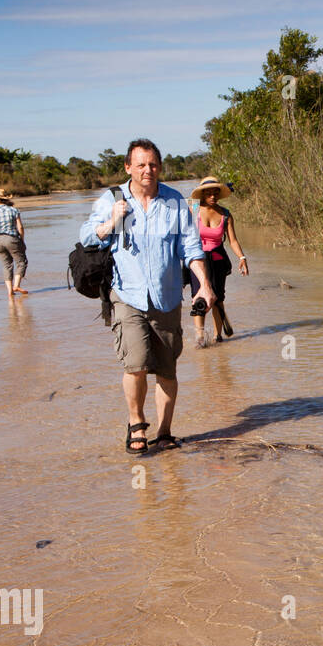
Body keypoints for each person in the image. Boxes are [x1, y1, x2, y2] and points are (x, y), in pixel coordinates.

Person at [79, 139, 214, 454]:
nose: (147, 171)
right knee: (136, 364)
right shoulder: (112, 198)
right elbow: (85, 235)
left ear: (160, 167)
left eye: (153, 165)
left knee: (167, 370)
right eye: (140, 165)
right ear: (128, 167)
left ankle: (165, 432)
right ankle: (137, 424)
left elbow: (191, 249)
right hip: (128, 296)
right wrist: (112, 221)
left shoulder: (175, 202)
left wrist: (204, 286)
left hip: (167, 298)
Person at [187, 176, 248, 346]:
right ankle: (200, 337)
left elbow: (233, 241)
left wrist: (242, 258)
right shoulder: (193, 209)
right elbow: (181, 234)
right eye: (208, 193)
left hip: (218, 258)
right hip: (197, 259)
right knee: (198, 297)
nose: (212, 196)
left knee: (218, 299)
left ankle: (217, 336)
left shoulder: (226, 214)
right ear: (202, 194)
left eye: (215, 193)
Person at [0, 189, 28, 298]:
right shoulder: (13, 210)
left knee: (6, 265)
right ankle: (16, 285)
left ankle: (10, 291)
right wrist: (22, 240)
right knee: (21, 262)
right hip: (12, 238)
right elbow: (20, 227)